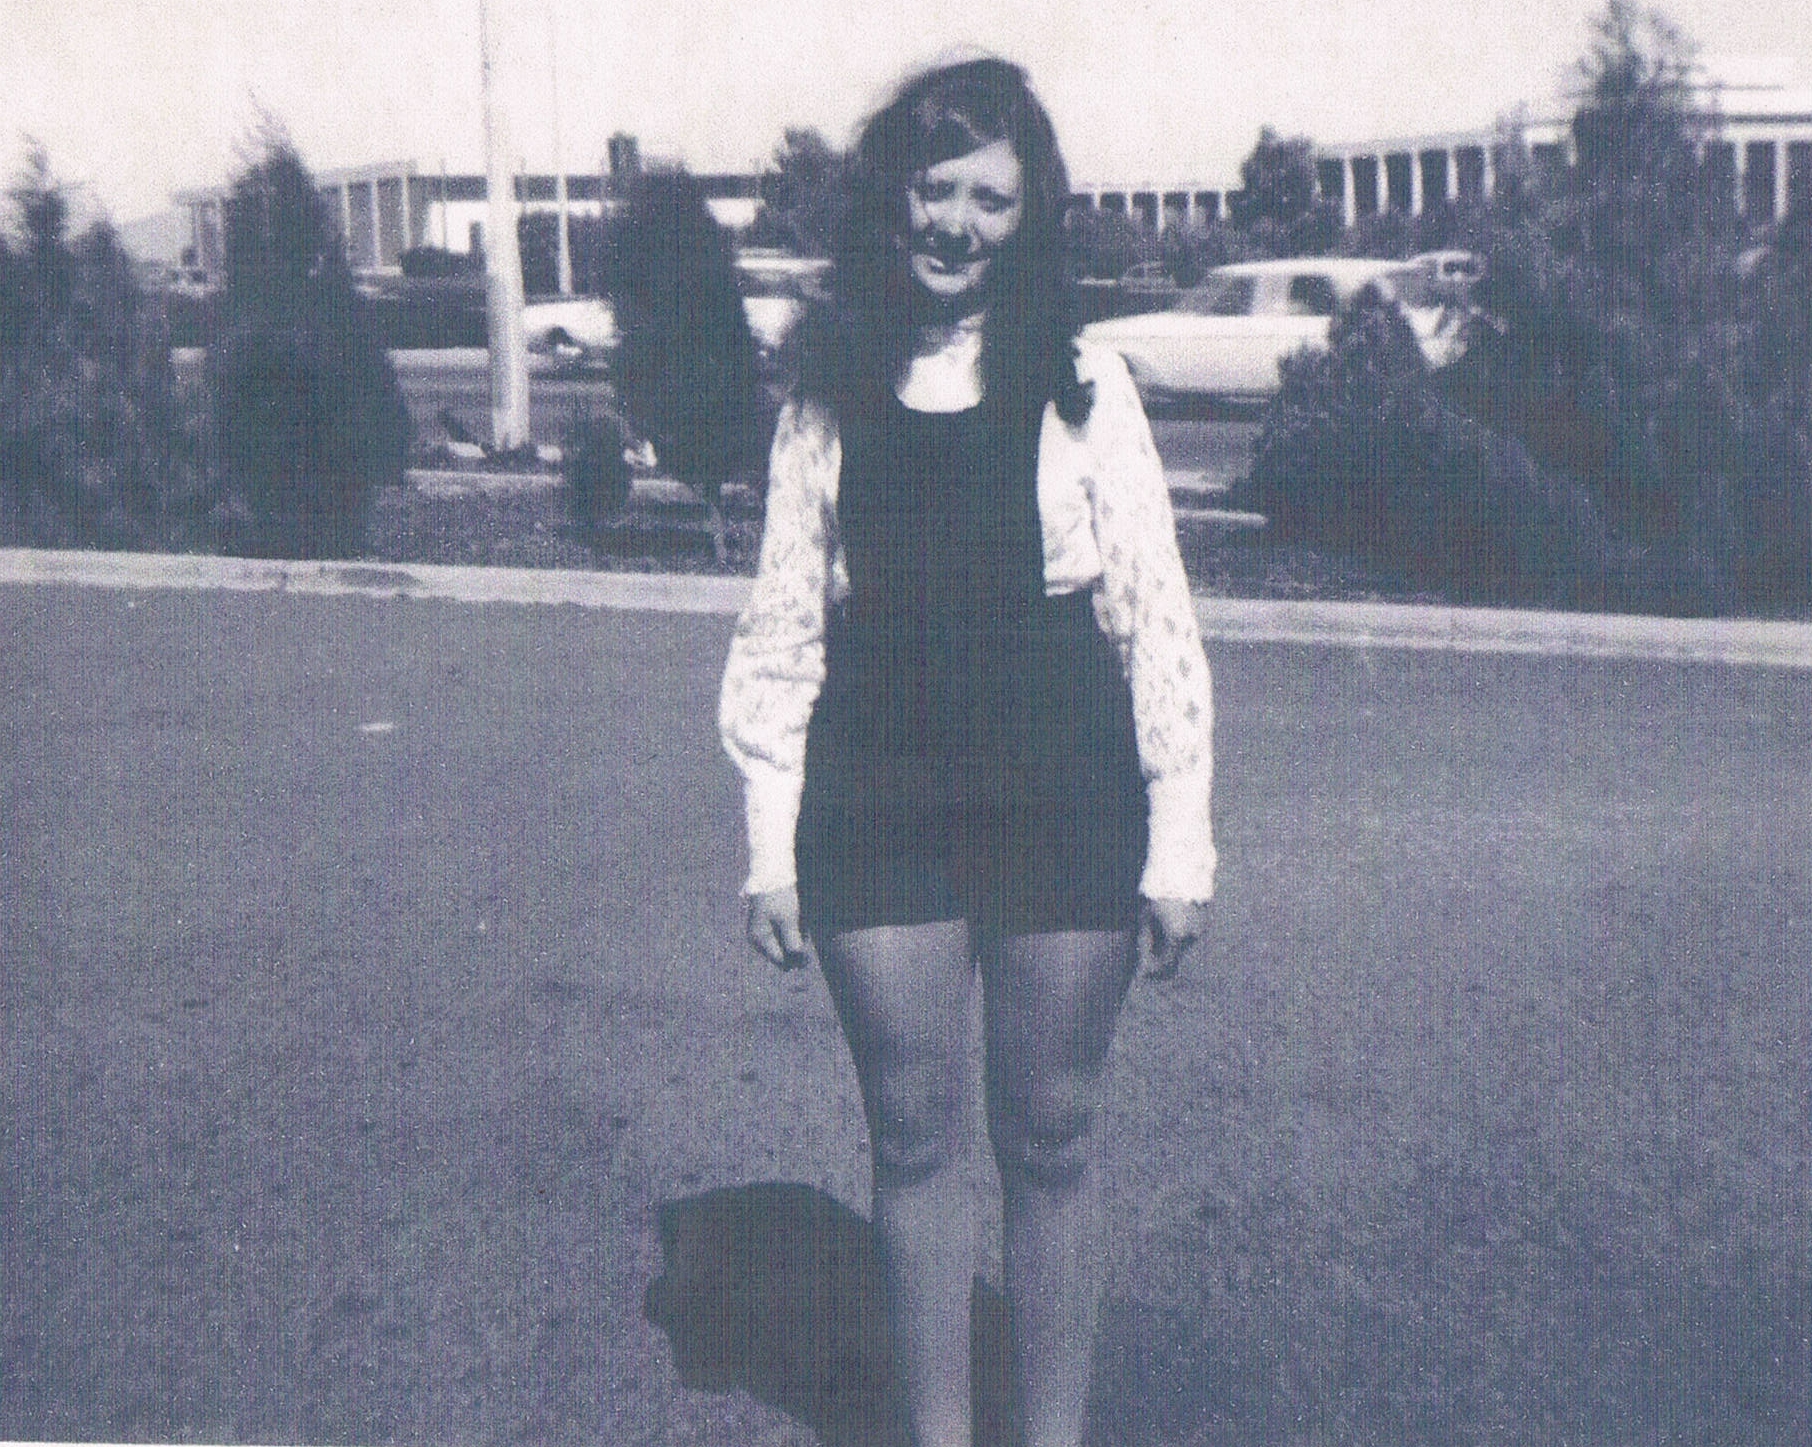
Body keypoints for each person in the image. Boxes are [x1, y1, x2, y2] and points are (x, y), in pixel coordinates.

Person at [719, 56, 1215, 1447]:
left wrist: (1181, 840)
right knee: (914, 1140)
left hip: (1064, 783)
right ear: (893, 195)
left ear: (1030, 213)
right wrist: (770, 846)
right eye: (936, 189)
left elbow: (1156, 618)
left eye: (991, 198)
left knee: (1051, 1139)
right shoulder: (827, 391)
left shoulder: (1084, 386)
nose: (957, 224)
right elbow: (782, 628)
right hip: (877, 788)